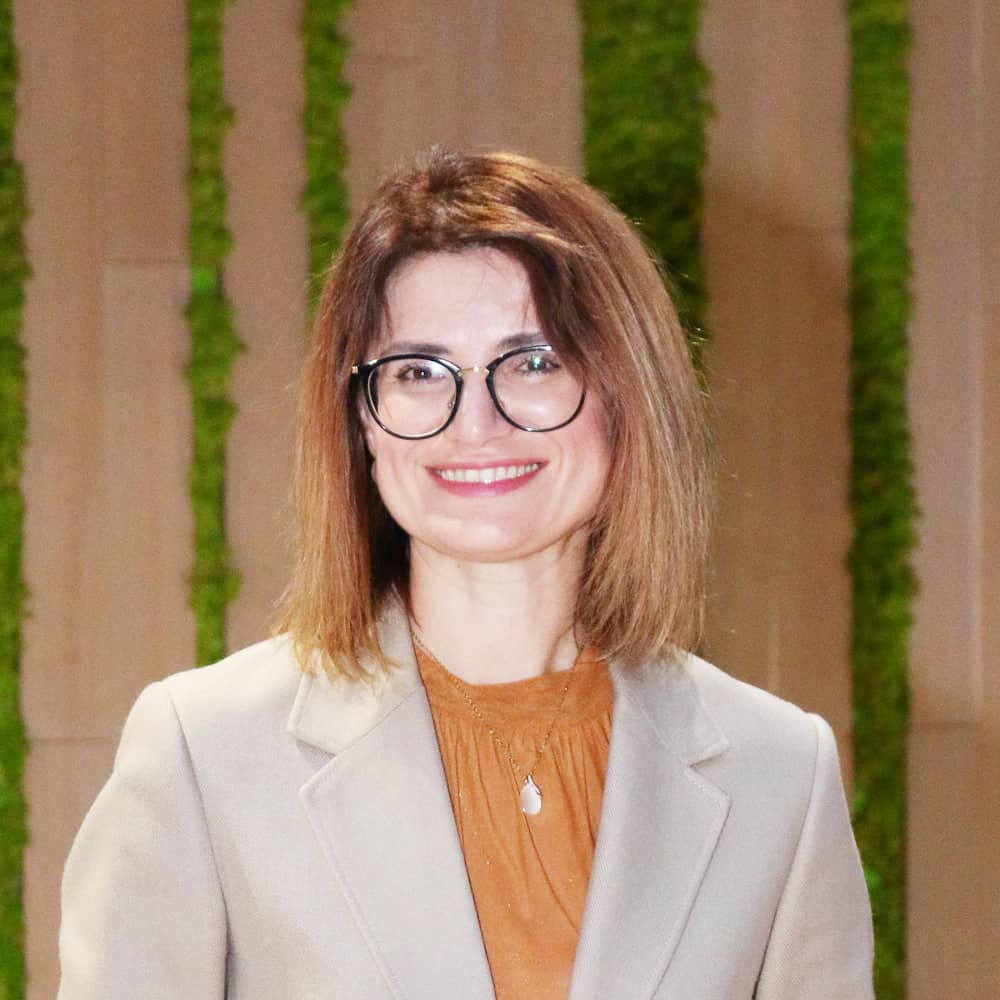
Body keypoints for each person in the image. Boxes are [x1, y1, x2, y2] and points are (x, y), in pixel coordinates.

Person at [58, 148, 874, 999]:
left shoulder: (781, 773)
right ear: (363, 421)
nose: (475, 424)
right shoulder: (205, 751)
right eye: (418, 372)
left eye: (533, 362)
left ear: (626, 394)